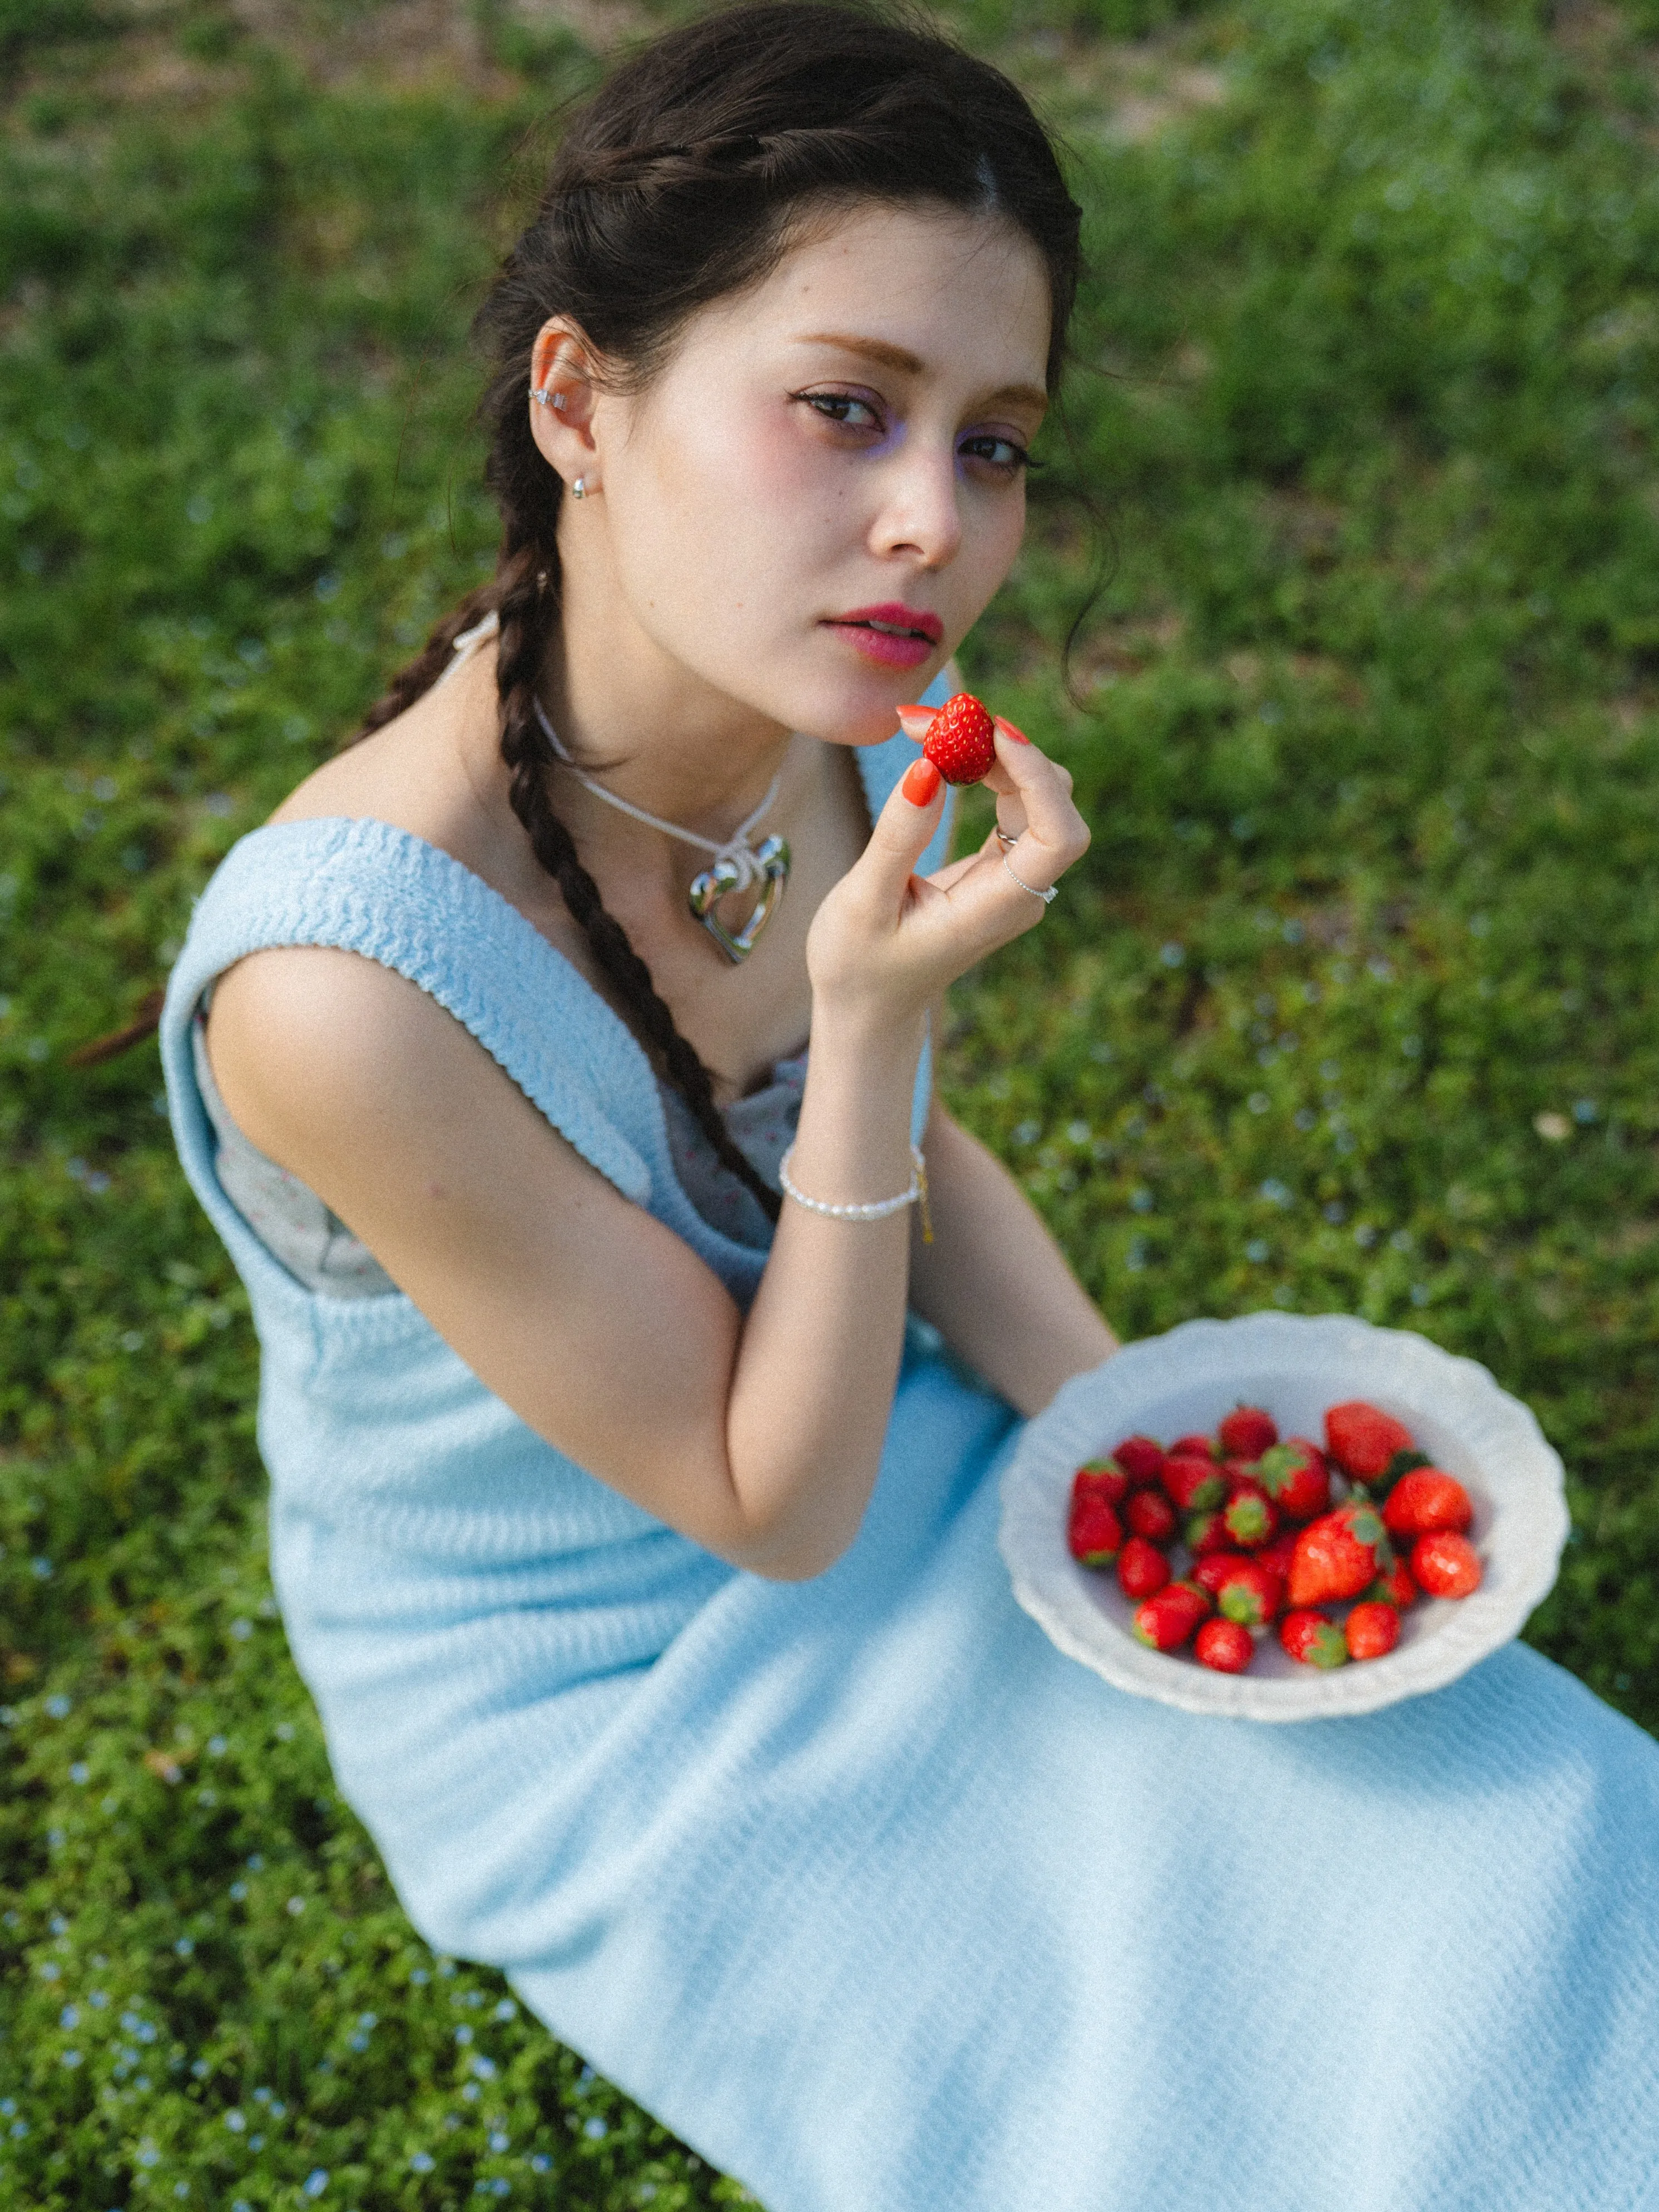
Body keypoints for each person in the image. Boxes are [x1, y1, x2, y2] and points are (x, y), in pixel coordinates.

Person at [160, 7, 1659, 2206]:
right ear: (582, 398)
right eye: (847, 407)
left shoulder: (853, 699)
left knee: (1515, 1839)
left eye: (994, 444)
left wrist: (1125, 1439)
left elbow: (905, 1176)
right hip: (628, 1672)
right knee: (1243, 2096)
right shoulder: (339, 993)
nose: (926, 523)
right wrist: (868, 1029)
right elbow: (765, 1501)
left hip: (879, 1425)